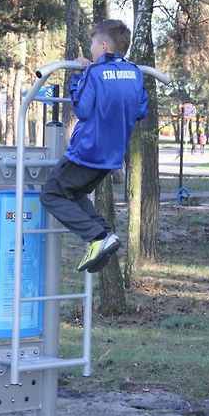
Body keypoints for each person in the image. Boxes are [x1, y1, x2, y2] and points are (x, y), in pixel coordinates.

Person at [40, 19, 149, 273]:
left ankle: (97, 236)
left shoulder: (95, 73)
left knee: (51, 194)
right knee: (74, 193)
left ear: (103, 45)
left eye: (92, 44)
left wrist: (78, 75)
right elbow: (141, 110)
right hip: (111, 157)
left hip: (87, 152)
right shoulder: (134, 72)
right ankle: (106, 234)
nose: (90, 49)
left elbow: (82, 109)